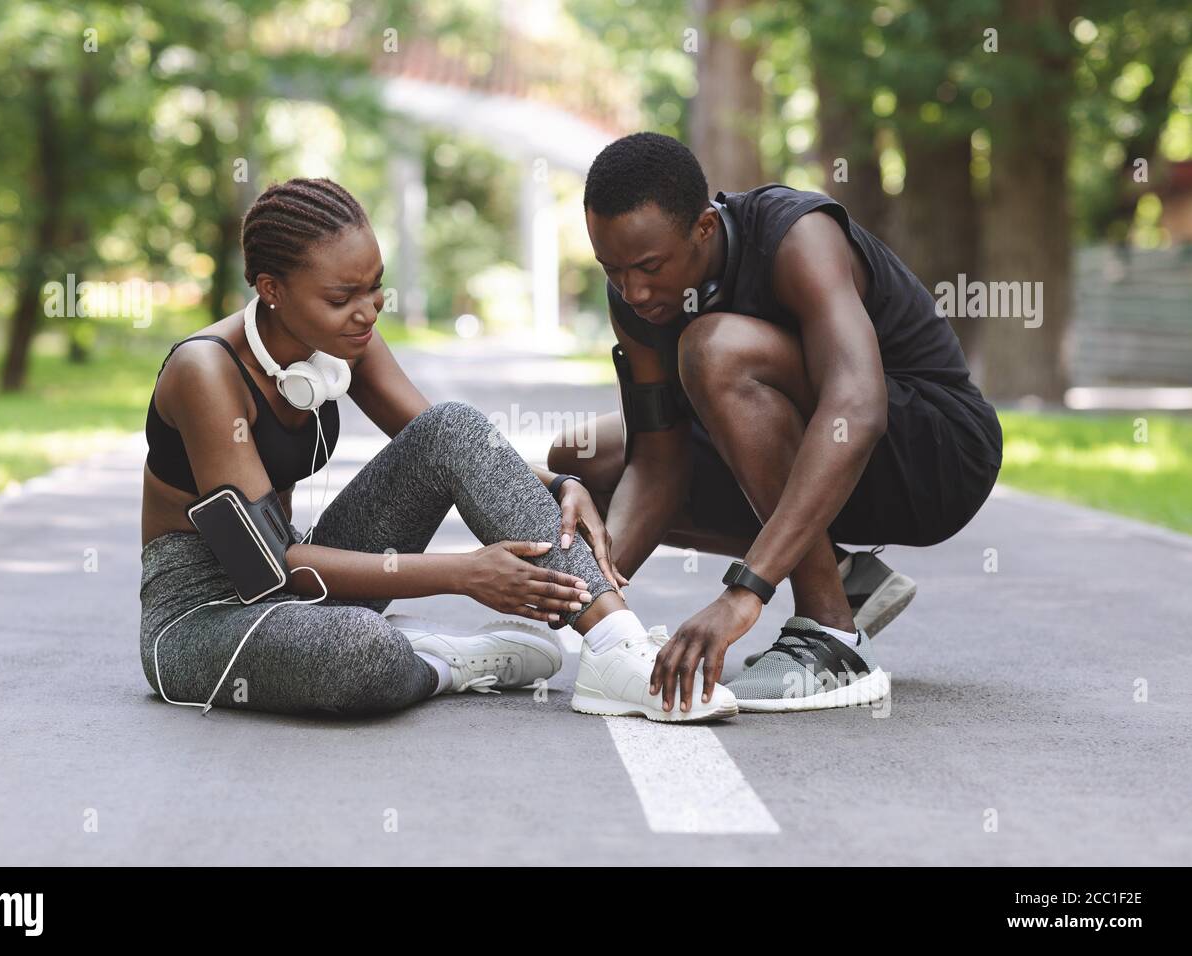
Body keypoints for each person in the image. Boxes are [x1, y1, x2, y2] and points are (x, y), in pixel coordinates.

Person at [138, 176, 736, 722]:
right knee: (358, 653)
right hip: (206, 617)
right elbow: (263, 568)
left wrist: (556, 486)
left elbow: (449, 444)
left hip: (304, 586)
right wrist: (462, 575)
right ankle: (448, 660)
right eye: (342, 296)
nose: (367, 311)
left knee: (452, 423)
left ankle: (614, 647)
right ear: (271, 289)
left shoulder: (344, 339)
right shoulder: (205, 373)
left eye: (375, 288)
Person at [549, 132, 1003, 714]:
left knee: (712, 349)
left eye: (649, 267)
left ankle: (831, 634)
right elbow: (659, 461)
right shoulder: (636, 301)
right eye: (612, 270)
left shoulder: (796, 235)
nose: (633, 291)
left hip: (933, 454)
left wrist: (745, 591)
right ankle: (841, 576)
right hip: (821, 466)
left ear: (705, 229)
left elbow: (857, 409)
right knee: (583, 461)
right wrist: (590, 609)